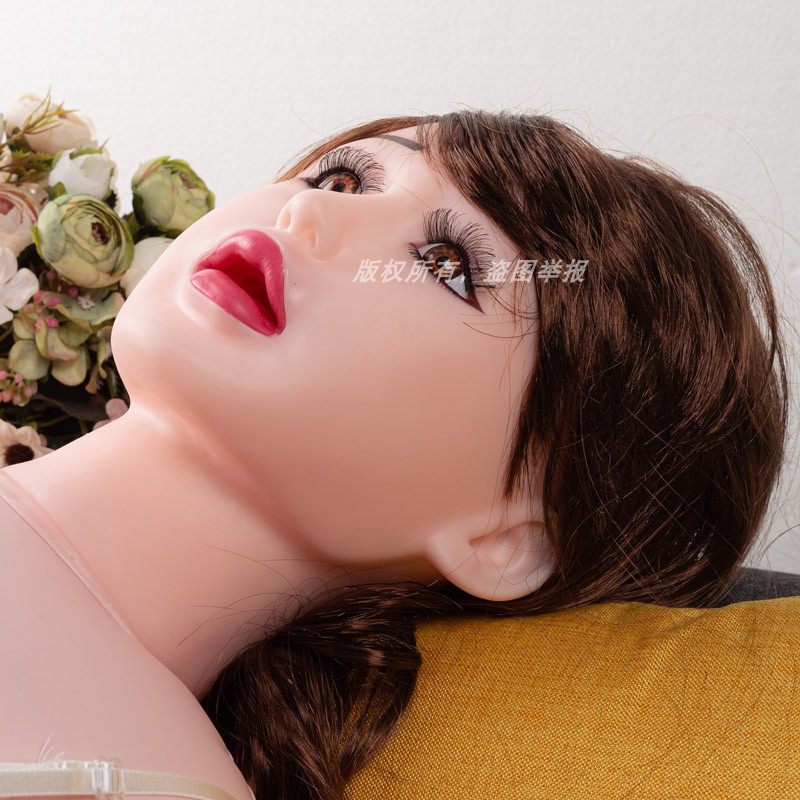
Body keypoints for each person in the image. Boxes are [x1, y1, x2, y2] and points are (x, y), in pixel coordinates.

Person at [0, 110, 789, 800]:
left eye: (447, 265)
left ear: (508, 540)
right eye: (344, 178)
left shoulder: (121, 770)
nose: (311, 214)